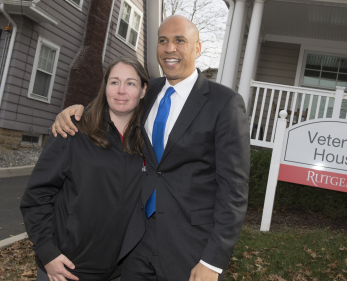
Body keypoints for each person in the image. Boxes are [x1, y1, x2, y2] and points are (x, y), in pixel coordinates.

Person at [52, 15, 250, 281]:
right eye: (163, 41)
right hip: (135, 240)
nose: (170, 48)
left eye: (180, 41)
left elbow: (234, 190)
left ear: (197, 48)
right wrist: (76, 112)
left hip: (190, 245)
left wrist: (213, 261)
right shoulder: (147, 91)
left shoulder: (224, 103)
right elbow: (111, 107)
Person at [20, 56, 149, 281]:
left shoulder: (148, 142)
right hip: (66, 269)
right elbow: (36, 196)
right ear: (105, 86)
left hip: (119, 273)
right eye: (114, 82)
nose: (121, 90)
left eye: (130, 83)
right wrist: (47, 252)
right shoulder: (73, 129)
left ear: (143, 90)